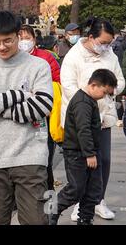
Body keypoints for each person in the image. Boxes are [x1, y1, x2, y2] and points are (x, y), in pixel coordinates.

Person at [0, 11, 53, 225]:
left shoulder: (38, 66)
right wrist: (19, 95)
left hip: (31, 156)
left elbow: (43, 105)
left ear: (19, 36)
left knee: (36, 220)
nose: (2, 46)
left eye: (8, 40)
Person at [61, 18, 125, 221]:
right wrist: (88, 102)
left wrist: (108, 93)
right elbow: (69, 86)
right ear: (91, 37)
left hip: (103, 117)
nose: (106, 46)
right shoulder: (74, 56)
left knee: (103, 161)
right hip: (80, 117)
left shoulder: (110, 54)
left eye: (109, 42)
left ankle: (98, 200)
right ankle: (79, 201)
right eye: (103, 42)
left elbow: (119, 80)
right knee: (81, 163)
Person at [50, 69, 118, 225]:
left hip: (91, 151)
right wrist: (89, 154)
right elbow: (83, 129)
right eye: (105, 92)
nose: (105, 97)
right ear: (94, 85)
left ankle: (86, 218)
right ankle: (52, 211)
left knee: (94, 190)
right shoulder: (82, 102)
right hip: (77, 153)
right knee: (76, 189)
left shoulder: (90, 100)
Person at [18, 24, 60, 191]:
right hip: (20, 115)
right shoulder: (10, 58)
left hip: (43, 115)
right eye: (20, 38)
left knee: (44, 157)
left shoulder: (45, 57)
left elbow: (57, 81)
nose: (23, 42)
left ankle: (47, 191)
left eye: (27, 38)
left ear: (34, 40)